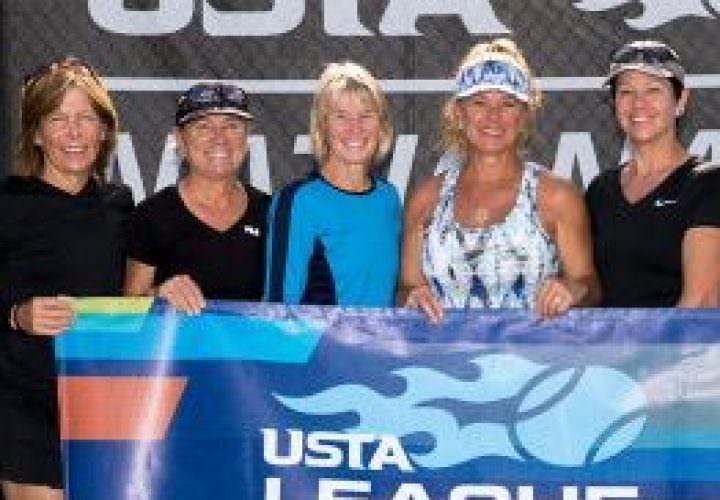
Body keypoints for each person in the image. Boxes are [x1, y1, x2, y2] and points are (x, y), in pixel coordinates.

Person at [0, 57, 133, 499]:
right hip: (25, 400)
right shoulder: (9, 203)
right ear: (37, 134)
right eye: (58, 119)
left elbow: (131, 298)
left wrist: (164, 290)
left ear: (104, 131)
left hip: (102, 400)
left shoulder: (121, 205)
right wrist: (16, 315)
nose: (74, 133)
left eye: (86, 118)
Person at [401, 38, 600, 322]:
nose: (493, 117)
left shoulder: (556, 196)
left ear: (524, 115)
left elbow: (589, 286)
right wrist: (412, 295)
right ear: (459, 113)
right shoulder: (426, 199)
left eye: (508, 104)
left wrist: (574, 290)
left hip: (534, 351)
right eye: (479, 102)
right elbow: (407, 287)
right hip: (445, 351)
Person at [586, 40, 720, 307]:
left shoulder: (708, 184)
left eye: (653, 90)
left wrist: (653, 339)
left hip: (679, 335)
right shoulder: (600, 191)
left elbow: (701, 301)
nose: (639, 104)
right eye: (626, 92)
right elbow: (588, 288)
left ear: (681, 100)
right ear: (614, 103)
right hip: (609, 336)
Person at [264, 62, 401, 306]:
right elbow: (278, 307)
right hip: (317, 334)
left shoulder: (388, 197)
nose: (355, 128)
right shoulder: (299, 201)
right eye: (341, 116)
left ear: (381, 127)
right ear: (322, 127)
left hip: (382, 334)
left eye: (366, 116)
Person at [124, 83, 270, 313]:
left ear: (247, 137)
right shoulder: (151, 216)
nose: (219, 138)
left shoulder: (272, 213)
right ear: (180, 140)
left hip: (254, 339)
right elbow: (127, 309)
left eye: (232, 126)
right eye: (203, 127)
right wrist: (157, 295)